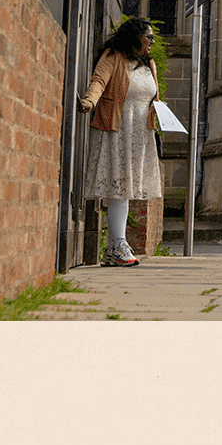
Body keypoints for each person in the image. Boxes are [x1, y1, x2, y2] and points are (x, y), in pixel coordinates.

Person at [76, 17, 161, 267]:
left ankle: (114, 248)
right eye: (149, 36)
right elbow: (99, 81)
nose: (152, 42)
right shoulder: (113, 56)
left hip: (140, 134)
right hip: (117, 129)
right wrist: (90, 101)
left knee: (125, 190)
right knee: (119, 189)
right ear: (136, 37)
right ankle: (118, 245)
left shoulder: (149, 64)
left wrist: (160, 108)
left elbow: (153, 96)